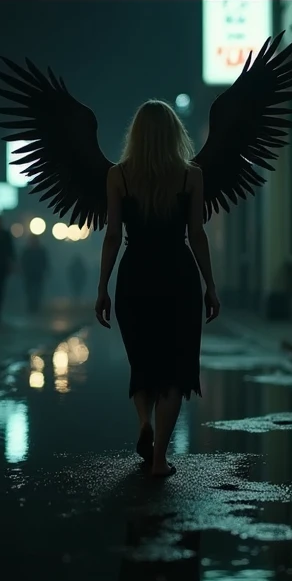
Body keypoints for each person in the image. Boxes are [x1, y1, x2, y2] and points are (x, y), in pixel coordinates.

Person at [94, 100, 220, 479]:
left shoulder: (119, 176)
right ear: (173, 134)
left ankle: (142, 423)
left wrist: (102, 287)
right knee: (175, 369)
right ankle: (160, 459)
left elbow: (113, 235)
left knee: (143, 361)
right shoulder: (190, 176)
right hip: (178, 275)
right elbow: (197, 235)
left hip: (135, 275)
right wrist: (210, 285)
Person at [21, 233, 48, 312]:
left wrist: (45, 270)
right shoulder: (27, 251)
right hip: (29, 274)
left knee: (37, 290)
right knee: (29, 291)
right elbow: (23, 262)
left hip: (38, 274)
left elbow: (44, 262)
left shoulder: (40, 250)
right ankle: (31, 305)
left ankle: (35, 305)